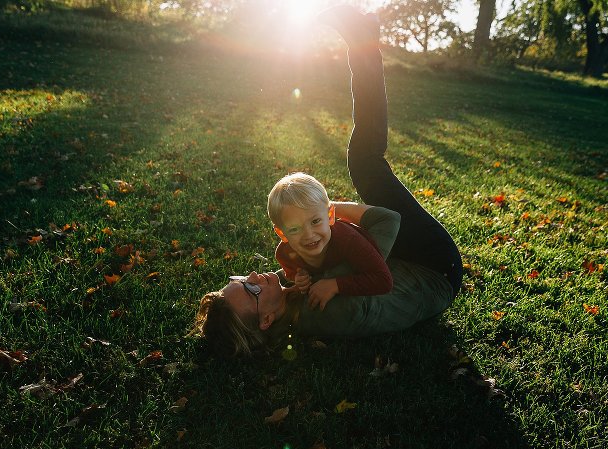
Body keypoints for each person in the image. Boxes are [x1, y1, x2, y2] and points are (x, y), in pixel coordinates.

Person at [195, 7, 463, 357]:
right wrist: (326, 213)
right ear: (266, 321)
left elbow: (306, 267)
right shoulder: (331, 311)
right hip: (434, 267)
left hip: (405, 263)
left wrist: (304, 252)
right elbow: (384, 227)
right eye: (252, 291)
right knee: (365, 163)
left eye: (242, 280)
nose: (255, 277)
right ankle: (364, 42)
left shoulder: (292, 302)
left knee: (359, 170)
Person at [268, 171, 400, 311]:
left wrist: (335, 285)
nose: (309, 235)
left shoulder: (348, 239)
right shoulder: (284, 254)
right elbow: (292, 273)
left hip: (390, 257)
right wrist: (299, 278)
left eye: (315, 221)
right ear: (281, 233)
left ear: (330, 216)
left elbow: (383, 281)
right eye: (294, 229)